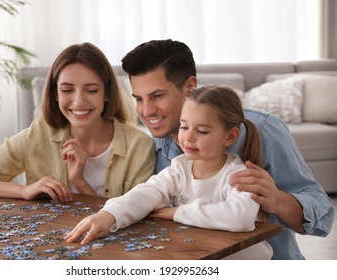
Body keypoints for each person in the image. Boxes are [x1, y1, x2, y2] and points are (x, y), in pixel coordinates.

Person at [118, 39, 333, 260]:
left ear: (190, 86)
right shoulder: (154, 144)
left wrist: (277, 200)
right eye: (138, 99)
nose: (146, 111)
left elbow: (323, 218)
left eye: (157, 96)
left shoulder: (262, 129)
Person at [64, 85, 273, 259]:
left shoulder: (240, 175)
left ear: (229, 137)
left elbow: (240, 218)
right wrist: (109, 216)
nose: (189, 138)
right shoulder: (179, 167)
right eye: (184, 127)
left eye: (201, 131)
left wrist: (178, 212)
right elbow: (148, 192)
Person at [0, 42, 155, 201]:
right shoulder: (39, 134)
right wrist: (23, 190)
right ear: (55, 94)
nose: (79, 101)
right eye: (67, 90)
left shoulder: (139, 145)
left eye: (91, 90)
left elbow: (133, 217)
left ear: (107, 93)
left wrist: (80, 183)